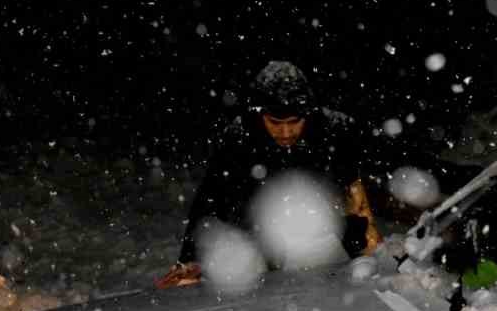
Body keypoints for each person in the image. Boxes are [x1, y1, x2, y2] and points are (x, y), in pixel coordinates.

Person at [157, 61, 384, 288]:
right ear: (260, 114)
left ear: (308, 113)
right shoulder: (239, 138)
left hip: (321, 229)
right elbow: (209, 202)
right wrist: (190, 259)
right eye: (275, 122)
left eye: (294, 122)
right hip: (258, 230)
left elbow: (356, 198)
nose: (285, 133)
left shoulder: (334, 131)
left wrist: (370, 245)